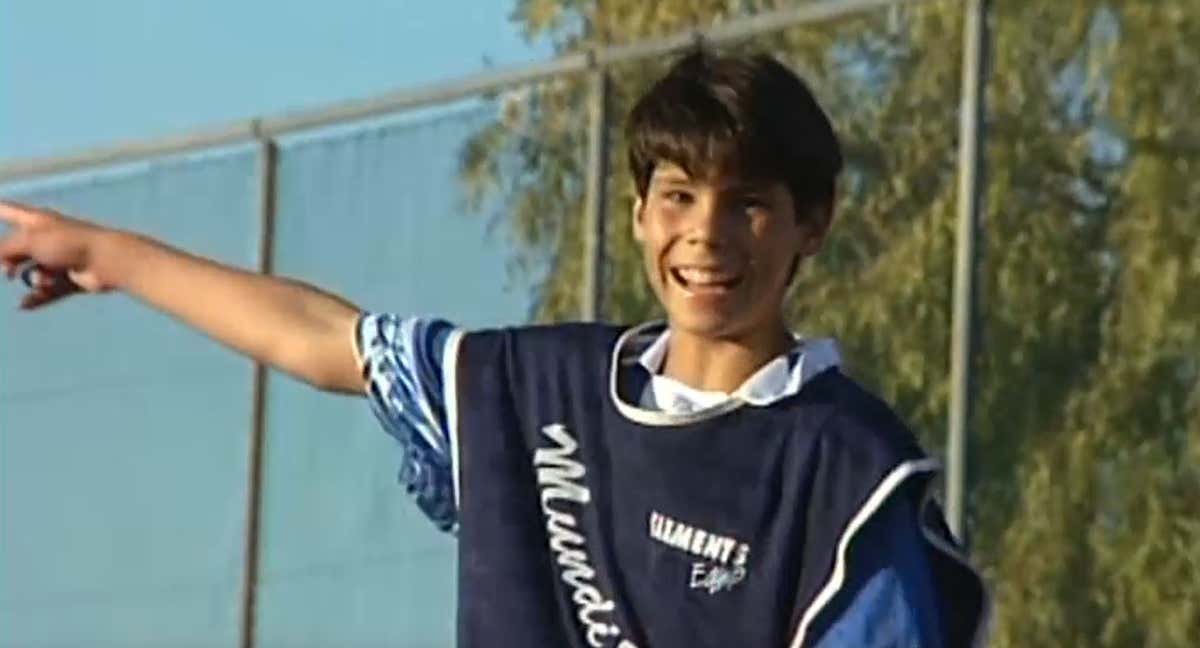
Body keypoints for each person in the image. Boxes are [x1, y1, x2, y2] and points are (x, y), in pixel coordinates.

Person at [0, 51, 987, 647]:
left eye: (749, 205)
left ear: (810, 225)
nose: (707, 235)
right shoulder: (538, 390)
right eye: (680, 196)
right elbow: (330, 342)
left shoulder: (847, 476)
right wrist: (106, 253)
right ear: (640, 215)